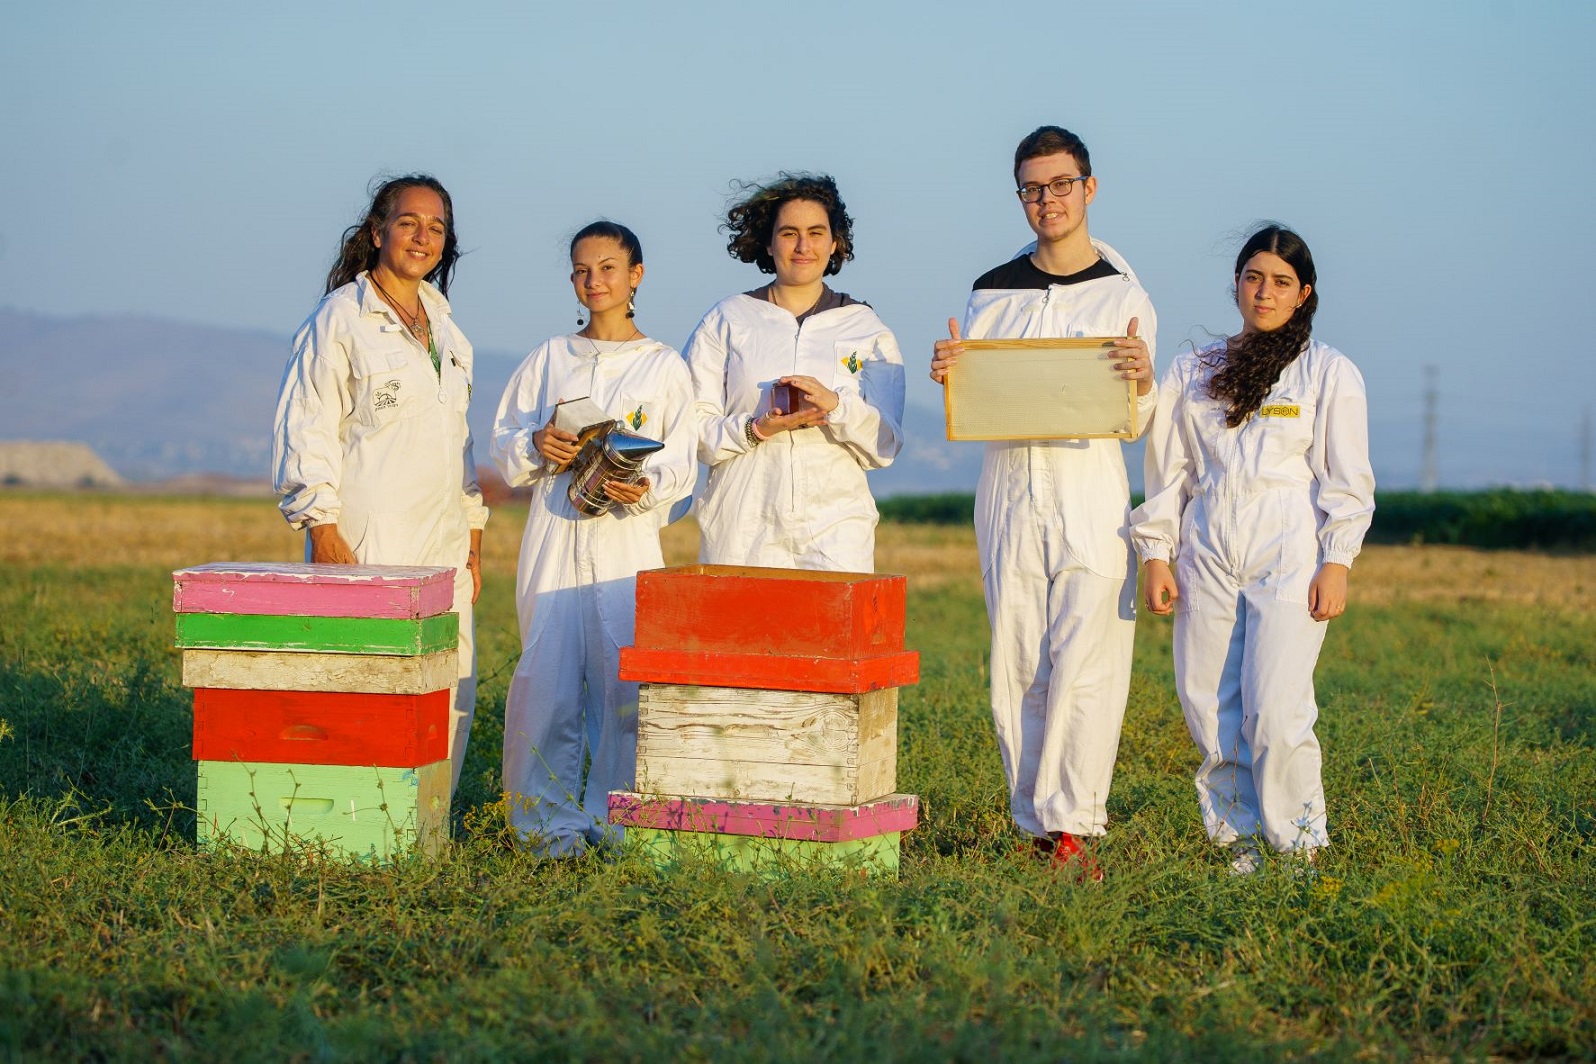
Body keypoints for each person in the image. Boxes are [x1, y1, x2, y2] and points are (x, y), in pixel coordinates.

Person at [930, 126, 1156, 878]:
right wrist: (952, 374)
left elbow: (1141, 413)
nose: (1047, 200)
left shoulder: (1123, 292)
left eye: (1061, 185)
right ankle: (1032, 824)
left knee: (1086, 657)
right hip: (1009, 486)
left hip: (1091, 484)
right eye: (1033, 188)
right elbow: (981, 395)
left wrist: (1145, 379)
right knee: (1018, 658)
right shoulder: (991, 288)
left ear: (1089, 189)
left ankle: (1074, 828)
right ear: (1020, 196)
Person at [1132, 224, 1374, 875]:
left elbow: (1347, 481)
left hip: (1289, 557)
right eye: (1253, 277)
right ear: (1237, 283)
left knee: (1277, 709)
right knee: (1208, 708)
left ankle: (1298, 849)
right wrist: (1156, 549)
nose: (1264, 291)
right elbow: (1169, 472)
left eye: (1281, 281)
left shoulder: (1326, 372)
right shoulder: (1196, 369)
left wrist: (1337, 560)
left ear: (1305, 294)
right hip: (1205, 553)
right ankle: (1236, 847)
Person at [273, 174, 487, 798]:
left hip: (444, 544)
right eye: (408, 222)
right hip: (367, 537)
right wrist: (322, 528)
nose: (423, 237)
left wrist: (473, 536)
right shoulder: (341, 319)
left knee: (449, 686)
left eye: (437, 228)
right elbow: (305, 426)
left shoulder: (447, 328)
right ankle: (359, 826)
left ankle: (427, 829)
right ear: (376, 232)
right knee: (368, 681)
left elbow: (459, 442)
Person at [490, 221, 695, 857]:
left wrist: (648, 486)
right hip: (553, 536)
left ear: (636, 275)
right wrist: (535, 446)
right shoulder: (549, 359)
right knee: (546, 679)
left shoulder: (663, 366)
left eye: (608, 268)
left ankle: (619, 823)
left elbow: (682, 462)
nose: (594, 281)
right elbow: (504, 445)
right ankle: (543, 827)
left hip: (626, 546)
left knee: (625, 685)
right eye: (582, 270)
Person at [683, 173, 905, 573]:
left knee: (832, 636)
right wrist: (756, 429)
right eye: (789, 233)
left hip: (835, 532)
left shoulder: (865, 327)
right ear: (768, 243)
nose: (803, 246)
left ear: (835, 242)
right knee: (741, 634)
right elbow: (690, 431)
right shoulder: (728, 318)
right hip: (741, 528)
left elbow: (885, 446)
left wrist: (837, 406)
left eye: (816, 232)